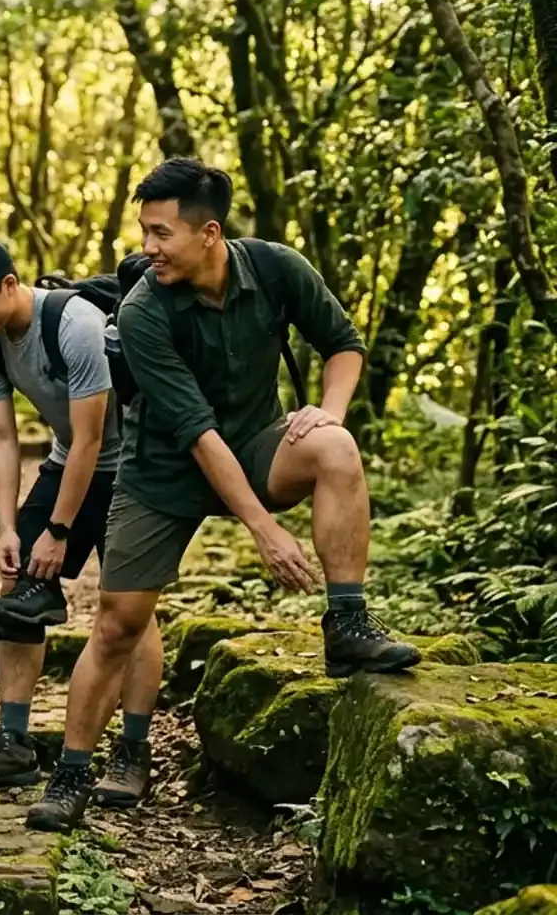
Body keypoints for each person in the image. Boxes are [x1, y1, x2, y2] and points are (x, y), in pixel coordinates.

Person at [26, 158, 422, 833]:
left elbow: (344, 345)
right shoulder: (147, 307)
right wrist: (264, 529)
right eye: (144, 231)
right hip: (164, 469)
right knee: (118, 625)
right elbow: (197, 435)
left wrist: (328, 411)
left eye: (160, 233)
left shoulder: (274, 268)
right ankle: (70, 775)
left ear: (208, 233)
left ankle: (347, 622)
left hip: (259, 443)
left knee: (337, 447)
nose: (147, 248)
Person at [0, 234, 162, 806]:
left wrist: (57, 533)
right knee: (16, 587)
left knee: (127, 606)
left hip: (136, 465)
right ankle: (12, 742)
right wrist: (9, 527)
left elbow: (92, 439)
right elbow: (3, 436)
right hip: (69, 460)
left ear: (9, 284)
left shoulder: (75, 325)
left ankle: (131, 752)